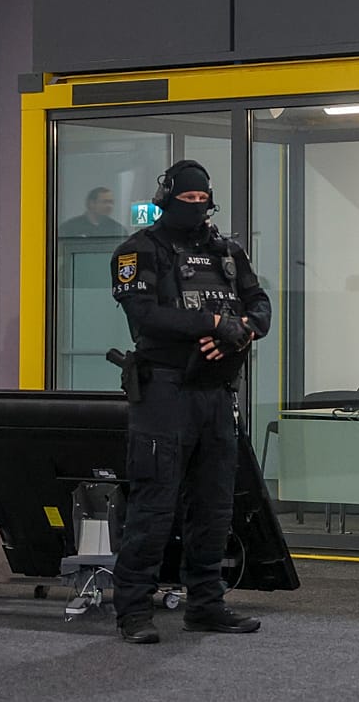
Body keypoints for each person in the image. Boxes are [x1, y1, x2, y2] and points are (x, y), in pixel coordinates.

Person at [109, 161, 271, 644]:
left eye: (204, 201)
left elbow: (259, 303)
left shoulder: (227, 250)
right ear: (167, 198)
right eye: (188, 200)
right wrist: (211, 325)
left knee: (215, 507)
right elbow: (145, 318)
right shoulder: (138, 251)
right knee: (154, 507)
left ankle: (206, 604)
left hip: (216, 393)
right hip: (164, 391)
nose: (196, 209)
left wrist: (240, 333)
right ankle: (133, 611)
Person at [60, 186, 128, 238]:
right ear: (91, 203)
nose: (110, 206)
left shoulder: (118, 230)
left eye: (111, 202)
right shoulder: (70, 227)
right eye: (105, 202)